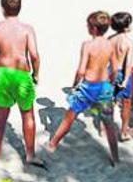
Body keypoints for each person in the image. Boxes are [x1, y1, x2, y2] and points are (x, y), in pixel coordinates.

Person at [0, 0, 45, 169]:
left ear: (2, 8)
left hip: (2, 73)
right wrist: (36, 74)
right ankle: (30, 155)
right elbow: (35, 55)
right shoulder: (27, 29)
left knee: (1, 114)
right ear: (19, 8)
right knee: (27, 113)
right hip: (21, 74)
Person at [46, 11, 120, 165]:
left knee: (70, 117)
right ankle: (115, 157)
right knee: (109, 123)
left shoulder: (87, 45)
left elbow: (81, 70)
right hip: (104, 87)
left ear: (93, 28)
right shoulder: (110, 45)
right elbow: (114, 68)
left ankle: (53, 144)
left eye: (88, 25)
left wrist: (74, 85)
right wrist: (111, 83)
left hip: (88, 87)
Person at [109, 12, 133, 142]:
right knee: (126, 103)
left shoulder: (110, 39)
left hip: (110, 72)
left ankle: (104, 129)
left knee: (108, 101)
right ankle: (124, 132)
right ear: (125, 26)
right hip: (122, 72)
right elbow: (128, 64)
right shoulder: (128, 43)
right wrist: (125, 80)